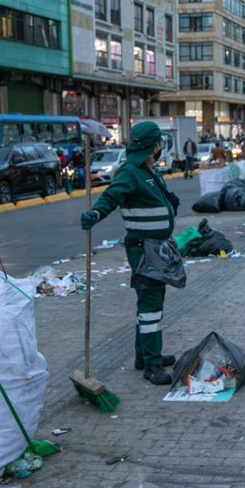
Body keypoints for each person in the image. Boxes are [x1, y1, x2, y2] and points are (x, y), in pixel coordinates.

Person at [80, 122, 181, 385]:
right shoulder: (131, 172)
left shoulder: (149, 170)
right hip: (144, 248)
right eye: (159, 142)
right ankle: (152, 364)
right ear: (154, 146)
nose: (161, 147)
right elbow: (111, 196)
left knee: (149, 302)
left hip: (156, 247)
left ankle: (143, 355)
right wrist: (96, 214)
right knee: (150, 305)